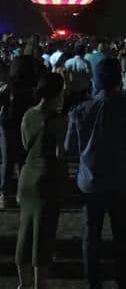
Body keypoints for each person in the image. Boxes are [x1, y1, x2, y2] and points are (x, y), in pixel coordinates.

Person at [65, 57, 126, 289]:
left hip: (91, 181)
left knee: (91, 238)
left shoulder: (81, 110)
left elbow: (70, 148)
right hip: (121, 180)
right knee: (122, 237)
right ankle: (124, 281)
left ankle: (93, 282)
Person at [15, 73, 68, 289]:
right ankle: (40, 285)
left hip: (27, 176)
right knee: (43, 235)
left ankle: (23, 283)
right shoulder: (57, 119)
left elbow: (25, 145)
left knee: (25, 231)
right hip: (47, 178)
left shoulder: (28, 114)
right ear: (57, 93)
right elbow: (59, 154)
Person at [1, 53, 40, 209]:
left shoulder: (8, 86)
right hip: (26, 125)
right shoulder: (32, 87)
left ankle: (4, 194)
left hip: (8, 124)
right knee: (23, 160)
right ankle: (21, 194)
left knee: (7, 160)